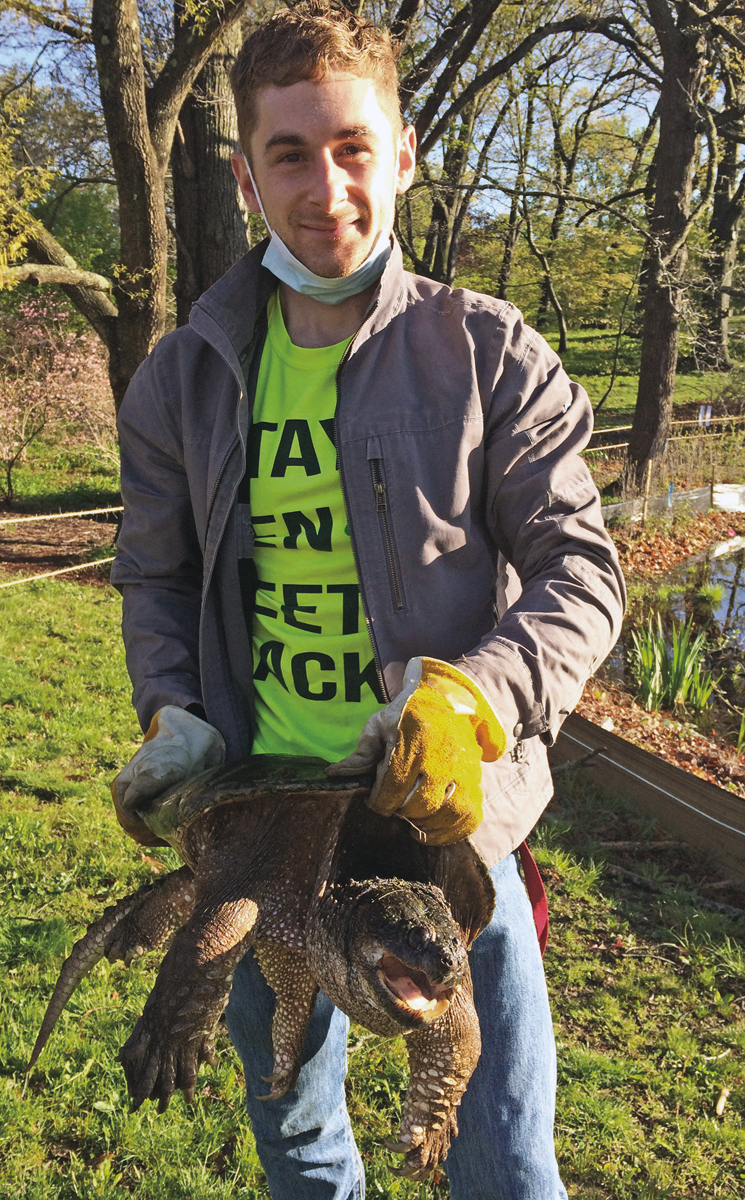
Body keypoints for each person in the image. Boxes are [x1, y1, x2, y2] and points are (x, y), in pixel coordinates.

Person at [109, 3, 625, 1197]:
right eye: (290, 154)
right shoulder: (181, 378)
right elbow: (157, 573)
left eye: (352, 148)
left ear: (400, 155)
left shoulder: (492, 354)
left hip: (446, 832)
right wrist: (172, 709)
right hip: (259, 829)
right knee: (294, 1129)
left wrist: (475, 696)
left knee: (499, 1154)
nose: (326, 187)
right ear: (246, 175)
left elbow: (581, 573)